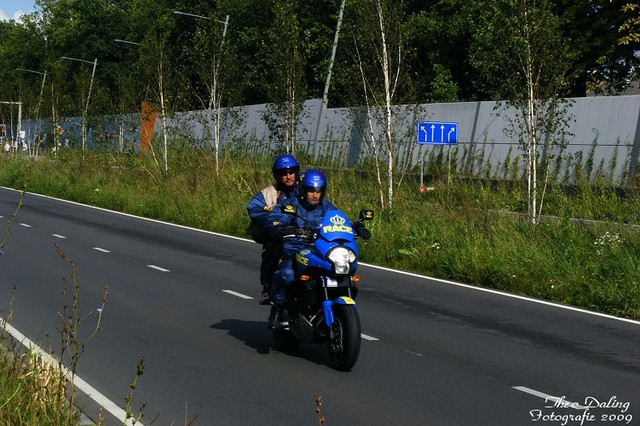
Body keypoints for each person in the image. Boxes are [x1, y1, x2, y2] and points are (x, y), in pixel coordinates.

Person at [264, 169, 337, 330]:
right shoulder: (291, 204)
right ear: (303, 190)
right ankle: (278, 308)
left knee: (340, 272)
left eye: (319, 191)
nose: (315, 195)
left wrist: (354, 228)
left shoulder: (327, 207)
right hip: (295, 250)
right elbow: (274, 219)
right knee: (287, 275)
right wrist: (281, 227)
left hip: (321, 251)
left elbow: (338, 221)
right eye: (311, 190)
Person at [246, 154, 300, 305]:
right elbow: (254, 209)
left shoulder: (306, 190)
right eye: (284, 173)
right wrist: (276, 221)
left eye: (291, 172)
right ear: (277, 175)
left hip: (305, 236)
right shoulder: (268, 193)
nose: (288, 176)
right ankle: (268, 288)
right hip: (281, 236)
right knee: (272, 252)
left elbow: (323, 208)